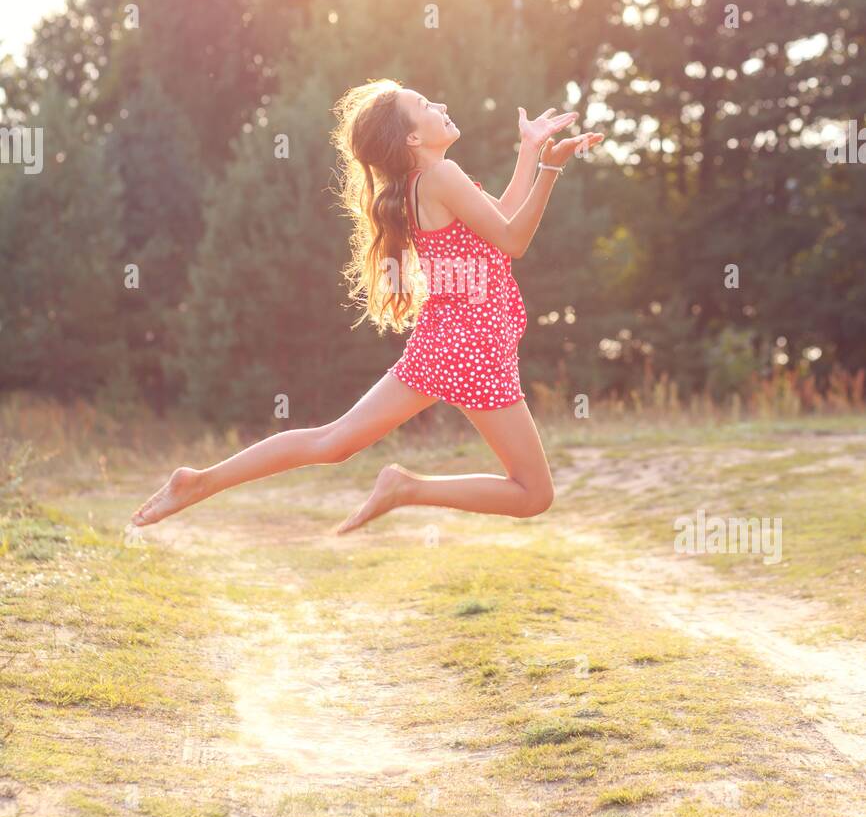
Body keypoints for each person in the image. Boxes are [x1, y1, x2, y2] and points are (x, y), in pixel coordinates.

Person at [131, 78, 603, 533]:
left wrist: (528, 152)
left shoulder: (428, 181)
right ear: (413, 137)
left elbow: (501, 223)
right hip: (472, 345)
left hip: (446, 338)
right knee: (533, 494)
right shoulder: (441, 176)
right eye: (426, 106)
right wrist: (549, 169)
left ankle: (201, 480)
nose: (440, 106)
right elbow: (515, 239)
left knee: (333, 441)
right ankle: (408, 489)